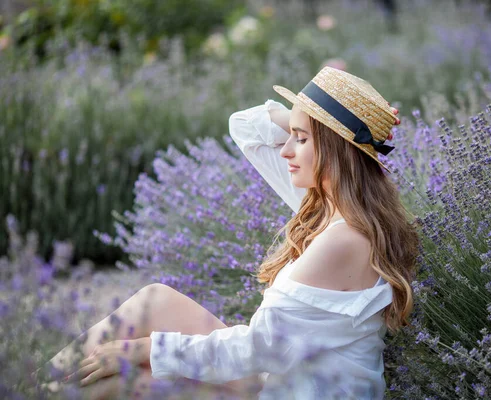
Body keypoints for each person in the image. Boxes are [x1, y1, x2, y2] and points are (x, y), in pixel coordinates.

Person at [38, 66, 420, 399]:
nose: (286, 150)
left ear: (337, 152)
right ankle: (32, 388)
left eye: (300, 139)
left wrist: (143, 350)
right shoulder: (330, 206)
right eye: (292, 135)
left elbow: (257, 348)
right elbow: (245, 125)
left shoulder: (343, 238)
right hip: (286, 375)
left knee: (117, 381)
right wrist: (308, 121)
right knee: (154, 300)